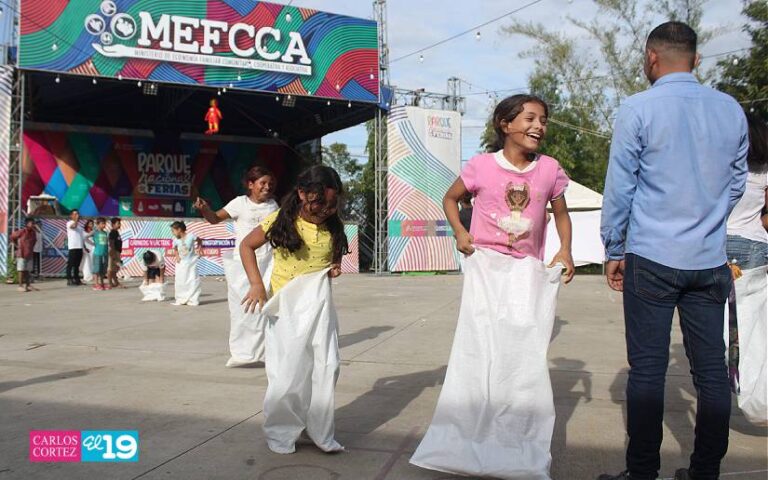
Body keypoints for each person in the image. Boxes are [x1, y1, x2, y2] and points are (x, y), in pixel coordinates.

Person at [599, 22, 749, 480]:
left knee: (648, 370)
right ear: (696, 59)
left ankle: (642, 472)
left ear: (651, 58)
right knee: (711, 372)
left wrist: (614, 246)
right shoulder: (730, 110)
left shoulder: (637, 108)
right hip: (709, 260)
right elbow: (737, 182)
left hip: (652, 257)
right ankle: (705, 472)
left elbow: (621, 185)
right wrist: (707, 217)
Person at [410, 94, 575, 479]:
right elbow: (451, 198)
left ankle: (514, 439)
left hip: (527, 273)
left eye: (543, 120)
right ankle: (468, 436)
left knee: (522, 354)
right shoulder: (481, 166)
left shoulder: (549, 170)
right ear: (505, 124)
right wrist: (460, 232)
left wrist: (565, 249)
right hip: (485, 269)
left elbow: (561, 215)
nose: (539, 126)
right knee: (479, 347)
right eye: (530, 118)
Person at [240, 165, 347, 454]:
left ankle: (319, 428)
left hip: (319, 307)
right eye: (319, 204)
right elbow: (246, 246)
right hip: (285, 308)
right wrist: (256, 284)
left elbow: (335, 255)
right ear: (302, 193)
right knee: (288, 373)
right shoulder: (281, 220)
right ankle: (281, 431)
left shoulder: (333, 224)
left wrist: (335, 266)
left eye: (331, 205)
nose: (325, 211)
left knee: (327, 366)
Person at [194, 166, 279, 367]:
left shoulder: (274, 206)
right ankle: (242, 354)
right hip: (243, 265)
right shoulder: (239, 203)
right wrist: (205, 209)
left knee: (265, 308)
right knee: (242, 309)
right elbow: (214, 219)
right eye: (262, 183)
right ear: (250, 185)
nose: (267, 187)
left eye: (270, 184)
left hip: (268, 263)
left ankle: (264, 352)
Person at [725, 113, 768, 426]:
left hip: (723, 247)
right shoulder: (765, 170)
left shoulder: (724, 165)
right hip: (758, 247)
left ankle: (734, 384)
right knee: (756, 327)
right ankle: (758, 393)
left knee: (721, 326)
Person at [171, 221, 203, 306]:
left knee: (192, 280)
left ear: (179, 229)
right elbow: (175, 249)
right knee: (181, 281)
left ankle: (192, 299)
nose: (172, 233)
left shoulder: (191, 236)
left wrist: (199, 248)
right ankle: (181, 298)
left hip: (191, 262)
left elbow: (199, 240)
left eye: (173, 231)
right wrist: (177, 256)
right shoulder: (175, 240)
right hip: (181, 263)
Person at [11, 218, 38, 292]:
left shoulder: (33, 233)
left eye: (34, 223)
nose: (33, 225)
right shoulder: (22, 231)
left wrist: (30, 249)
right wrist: (17, 245)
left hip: (29, 253)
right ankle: (20, 286)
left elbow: (34, 241)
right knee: (21, 270)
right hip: (21, 253)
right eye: (32, 223)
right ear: (27, 224)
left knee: (28, 270)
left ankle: (28, 285)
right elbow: (12, 236)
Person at [65, 210, 84, 286]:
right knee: (71, 264)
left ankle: (77, 279)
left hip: (80, 246)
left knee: (77, 265)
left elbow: (82, 237)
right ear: (71, 215)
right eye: (75, 214)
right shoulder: (69, 223)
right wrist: (76, 220)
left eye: (78, 214)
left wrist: (84, 246)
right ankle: (69, 279)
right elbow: (73, 226)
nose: (77, 215)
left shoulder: (80, 226)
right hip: (73, 247)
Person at [91, 218, 109, 291]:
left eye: (104, 223)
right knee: (97, 269)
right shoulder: (95, 232)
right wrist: (92, 244)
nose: (104, 225)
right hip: (97, 253)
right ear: (98, 224)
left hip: (104, 253)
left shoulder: (105, 233)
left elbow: (106, 243)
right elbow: (85, 237)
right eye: (102, 223)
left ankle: (102, 283)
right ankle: (96, 284)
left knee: (103, 269)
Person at [108, 217, 123, 288]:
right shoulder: (112, 233)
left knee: (115, 269)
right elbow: (111, 243)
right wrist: (113, 253)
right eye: (118, 223)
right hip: (114, 252)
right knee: (111, 269)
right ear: (113, 224)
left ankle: (116, 282)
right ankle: (110, 283)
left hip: (117, 252)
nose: (119, 225)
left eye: (120, 223)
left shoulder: (116, 232)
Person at [81, 219, 95, 284]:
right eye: (90, 224)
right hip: (86, 248)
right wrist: (85, 248)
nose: (91, 225)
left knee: (92, 262)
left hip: (93, 248)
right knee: (86, 263)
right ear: (87, 224)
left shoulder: (93, 232)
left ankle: (92, 276)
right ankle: (87, 277)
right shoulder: (83, 232)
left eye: (92, 224)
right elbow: (83, 240)